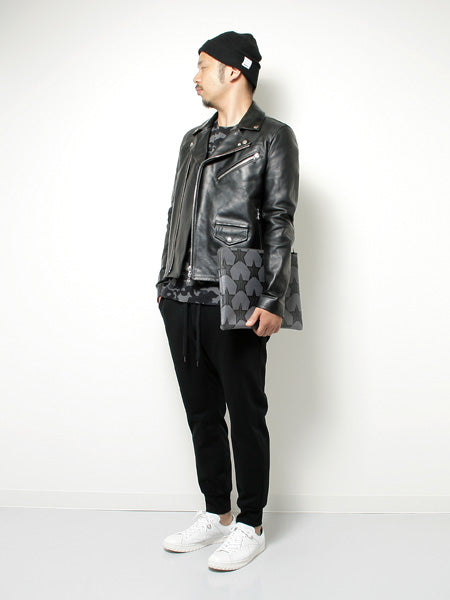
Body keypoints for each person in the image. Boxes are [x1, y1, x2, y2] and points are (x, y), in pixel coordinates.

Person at [156, 31, 299, 571]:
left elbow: (280, 221)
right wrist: (165, 282)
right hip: (180, 292)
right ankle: (217, 511)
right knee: (201, 413)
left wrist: (273, 296)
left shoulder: (273, 137)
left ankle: (250, 522)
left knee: (245, 412)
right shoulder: (192, 139)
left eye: (202, 65)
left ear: (233, 70)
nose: (195, 76)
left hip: (236, 289)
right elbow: (178, 214)